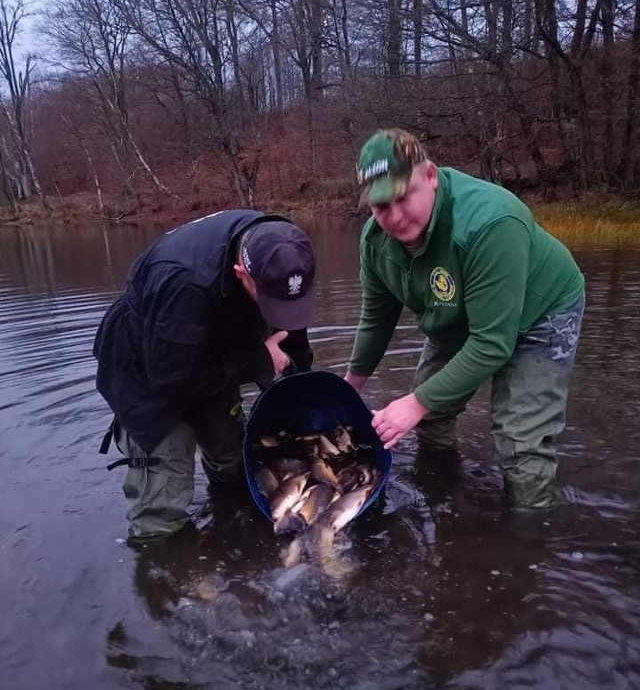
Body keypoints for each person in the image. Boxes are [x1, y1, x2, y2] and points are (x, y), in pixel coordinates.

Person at [345, 128, 585, 508]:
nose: (393, 216)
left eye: (403, 197)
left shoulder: (490, 222)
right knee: (430, 417)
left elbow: (493, 344)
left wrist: (413, 402)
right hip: (458, 313)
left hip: (542, 312)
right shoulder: (375, 243)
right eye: (380, 206)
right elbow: (376, 319)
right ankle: (443, 497)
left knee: (521, 442)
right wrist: (348, 388)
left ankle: (528, 538)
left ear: (430, 176)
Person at [94, 210, 316, 541]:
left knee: (233, 463)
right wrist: (258, 360)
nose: (282, 312)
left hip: (217, 349)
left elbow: (292, 326)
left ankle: (233, 530)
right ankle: (163, 573)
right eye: (271, 303)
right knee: (164, 494)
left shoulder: (283, 249)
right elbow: (171, 375)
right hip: (148, 368)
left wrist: (301, 384)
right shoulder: (186, 282)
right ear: (241, 273)